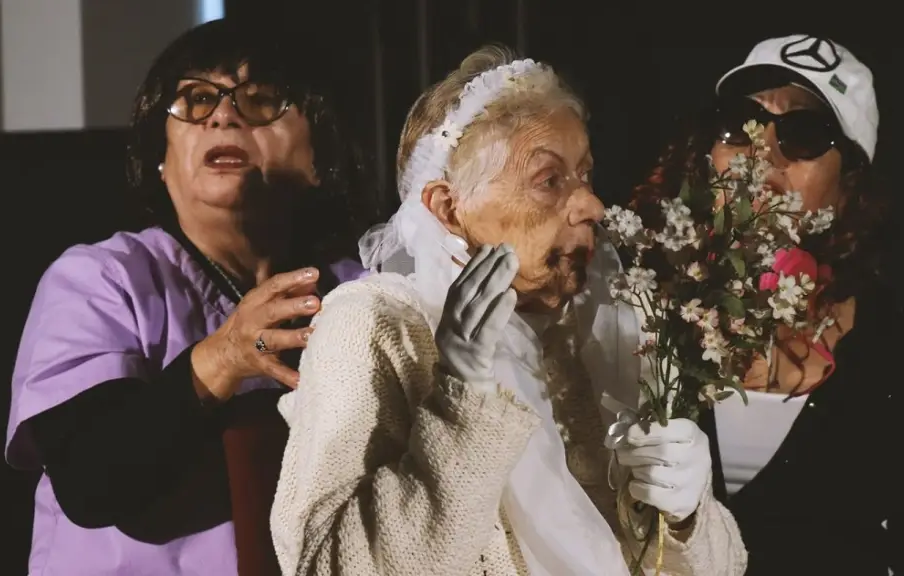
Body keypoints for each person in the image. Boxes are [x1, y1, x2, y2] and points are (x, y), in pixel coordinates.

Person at [270, 45, 748, 576]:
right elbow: (326, 568)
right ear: (449, 209)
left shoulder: (601, 331)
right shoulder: (373, 326)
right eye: (549, 180)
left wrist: (687, 519)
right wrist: (459, 408)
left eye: (585, 175)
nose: (591, 205)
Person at [6, 18, 378, 576]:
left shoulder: (364, 293)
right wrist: (223, 357)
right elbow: (90, 481)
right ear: (161, 158)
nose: (224, 116)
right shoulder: (100, 280)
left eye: (261, 100)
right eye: (197, 100)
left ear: (320, 159)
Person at [645, 34, 904, 574]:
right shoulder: (643, 321)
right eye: (739, 122)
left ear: (850, 186)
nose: (762, 151)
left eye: (803, 134)